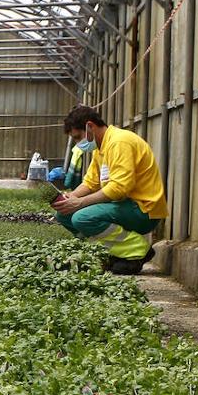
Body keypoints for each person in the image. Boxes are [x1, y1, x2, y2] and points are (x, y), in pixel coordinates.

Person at [52, 105, 167, 275]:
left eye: (78, 137)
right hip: (124, 206)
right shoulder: (101, 148)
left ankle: (137, 250)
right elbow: (91, 182)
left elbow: (119, 187)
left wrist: (80, 202)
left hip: (143, 210)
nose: (78, 144)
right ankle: (114, 253)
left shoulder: (119, 142)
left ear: (90, 126)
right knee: (64, 215)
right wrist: (70, 197)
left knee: (82, 218)